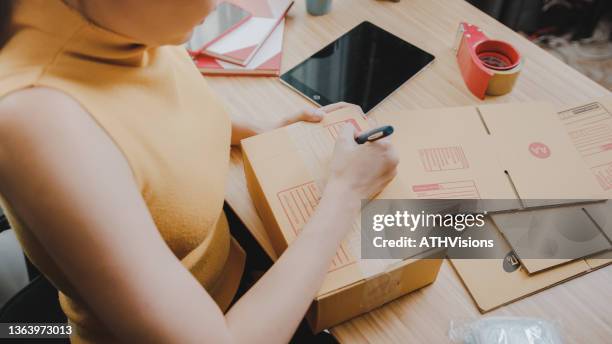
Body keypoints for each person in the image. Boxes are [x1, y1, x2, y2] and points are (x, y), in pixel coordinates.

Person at [0, 0, 398, 343]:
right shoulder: (36, 121)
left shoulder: (119, 20)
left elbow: (149, 107)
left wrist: (255, 131)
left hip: (234, 269)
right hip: (225, 323)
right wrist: (346, 192)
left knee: (441, 228)